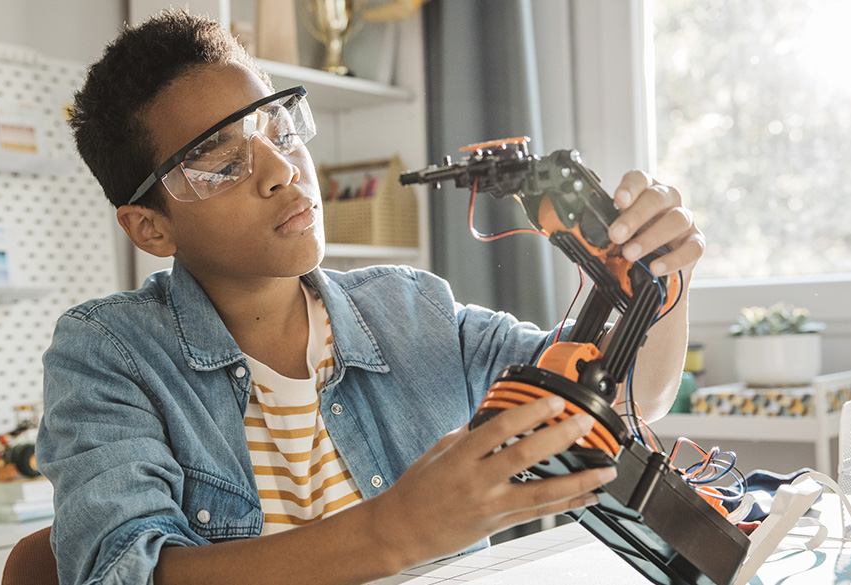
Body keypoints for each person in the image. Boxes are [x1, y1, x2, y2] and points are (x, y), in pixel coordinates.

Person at [36, 8, 705, 585]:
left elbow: (627, 399)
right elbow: (123, 570)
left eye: (278, 129)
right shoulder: (109, 352)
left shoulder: (409, 309)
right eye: (221, 164)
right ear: (150, 227)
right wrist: (395, 530)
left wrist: (661, 279)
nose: (282, 170)